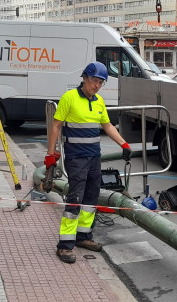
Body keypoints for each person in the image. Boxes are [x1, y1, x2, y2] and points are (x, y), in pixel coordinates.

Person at [46, 62, 132, 264]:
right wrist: (51, 153)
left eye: (101, 82)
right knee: (75, 198)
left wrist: (124, 144)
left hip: (94, 157)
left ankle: (83, 236)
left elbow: (107, 125)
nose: (97, 86)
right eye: (94, 81)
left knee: (91, 197)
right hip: (76, 158)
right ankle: (65, 245)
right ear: (84, 78)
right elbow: (56, 125)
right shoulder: (69, 98)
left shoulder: (99, 101)